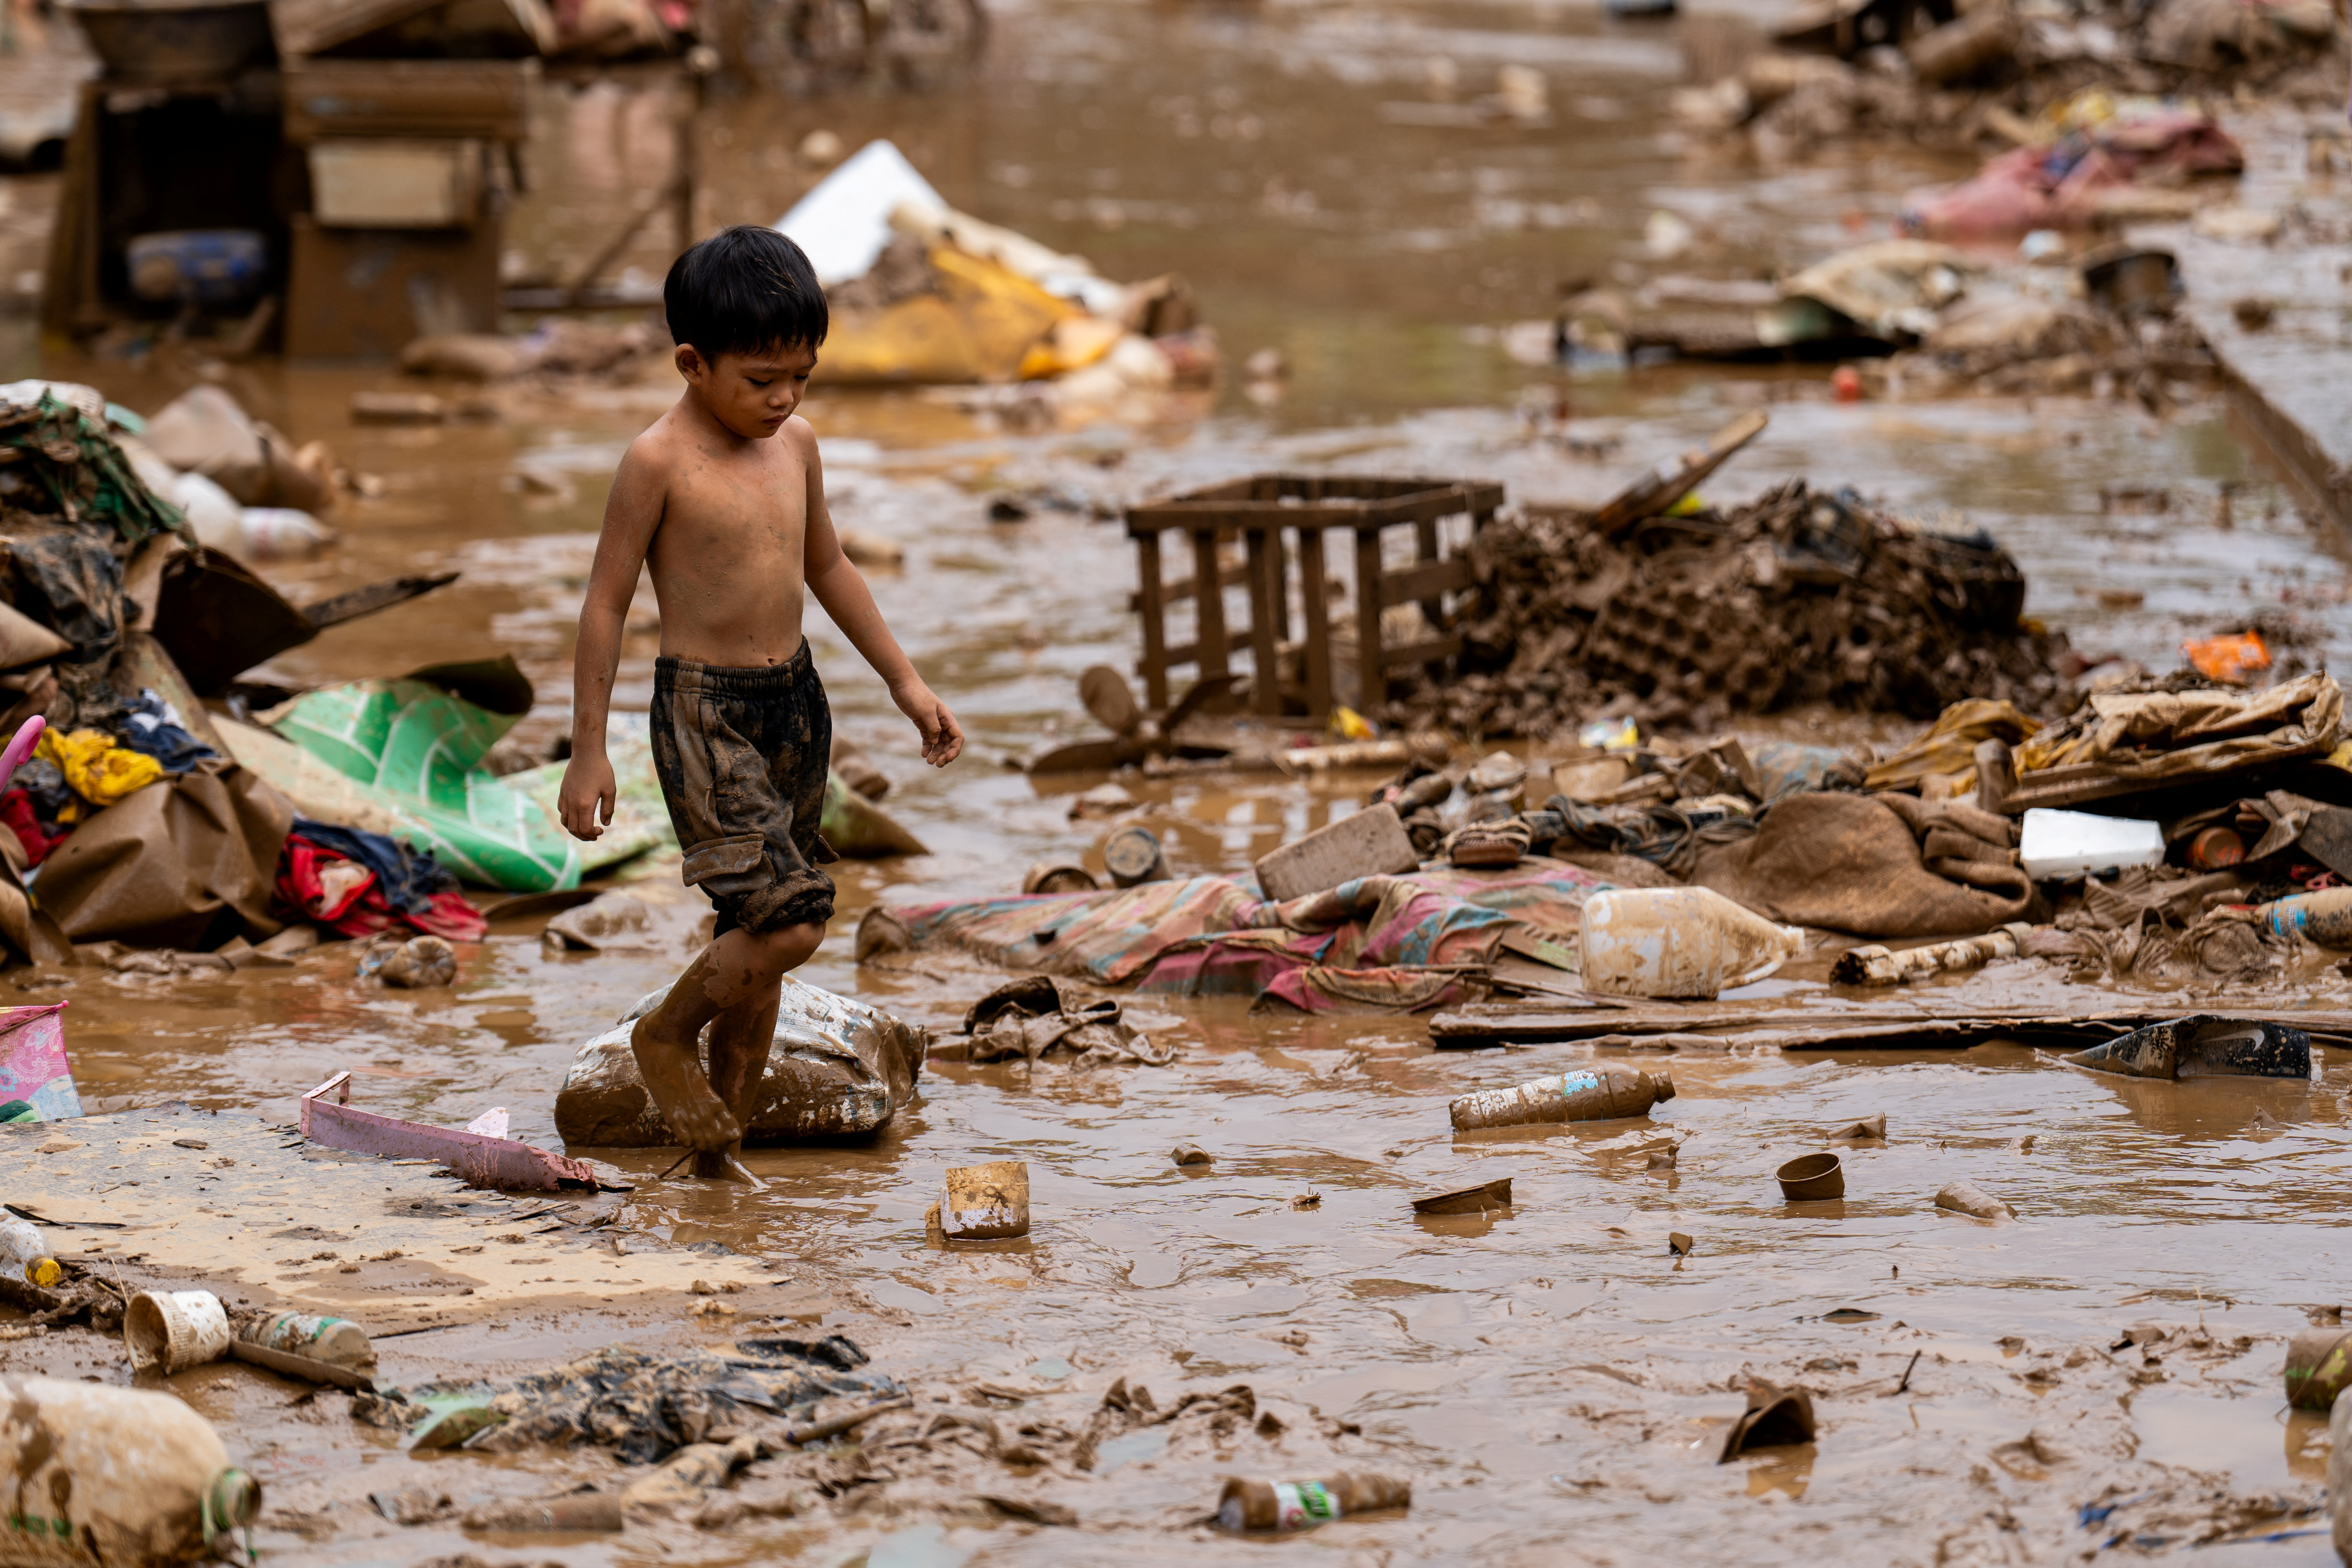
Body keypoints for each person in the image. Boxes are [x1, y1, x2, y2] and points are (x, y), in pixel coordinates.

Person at [557, 225, 961, 1179]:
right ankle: (663, 1038)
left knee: (756, 939)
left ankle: (717, 1150)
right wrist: (587, 749)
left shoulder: (799, 446)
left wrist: (905, 681)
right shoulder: (656, 462)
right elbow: (605, 602)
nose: (783, 399)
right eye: (761, 379)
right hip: (707, 712)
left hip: (795, 701)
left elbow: (827, 565)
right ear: (692, 365)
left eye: (800, 377)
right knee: (791, 920)